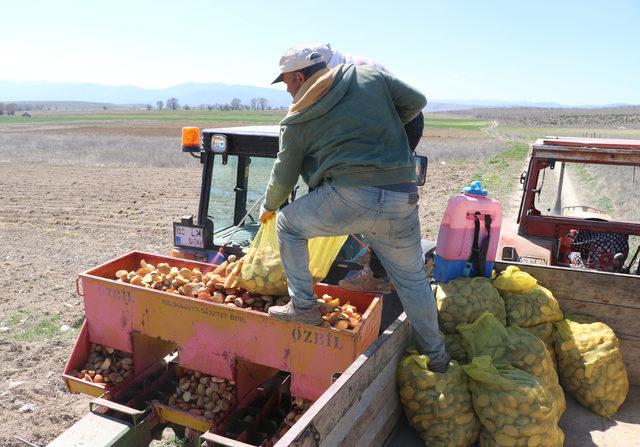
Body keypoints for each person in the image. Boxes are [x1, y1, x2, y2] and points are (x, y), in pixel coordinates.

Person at [259, 45, 449, 371]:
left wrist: (270, 206)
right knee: (413, 280)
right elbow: (417, 102)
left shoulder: (298, 117)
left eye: (287, 83)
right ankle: (438, 358)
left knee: (289, 224)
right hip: (400, 197)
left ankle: (304, 307)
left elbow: (284, 175)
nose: (288, 90)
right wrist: (383, 127)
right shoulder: (370, 76)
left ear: (300, 76)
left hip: (350, 197)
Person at [309, 43, 426, 293]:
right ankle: (375, 257)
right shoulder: (343, 67)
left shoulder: (346, 73)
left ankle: (376, 275)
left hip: (404, 123)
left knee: (372, 193)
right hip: (400, 121)